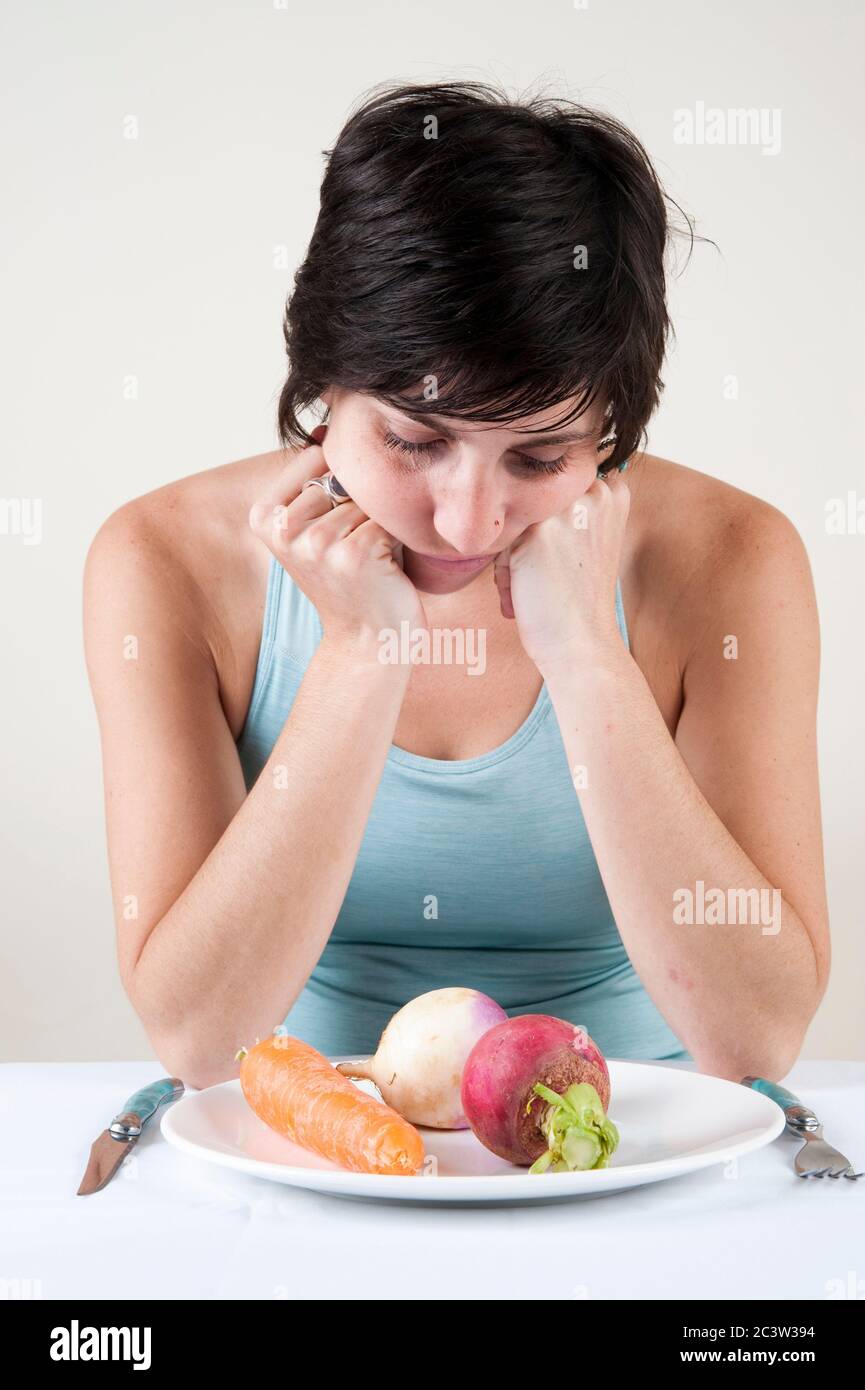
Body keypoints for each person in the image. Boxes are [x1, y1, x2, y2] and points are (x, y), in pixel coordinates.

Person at [83, 81, 829, 1090]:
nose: (468, 520)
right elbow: (197, 1040)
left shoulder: (731, 558)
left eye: (540, 457)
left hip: (634, 1134)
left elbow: (757, 1040)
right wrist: (358, 654)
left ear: (610, 432)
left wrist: (587, 660)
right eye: (413, 440)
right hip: (311, 1133)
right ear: (321, 389)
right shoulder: (164, 561)